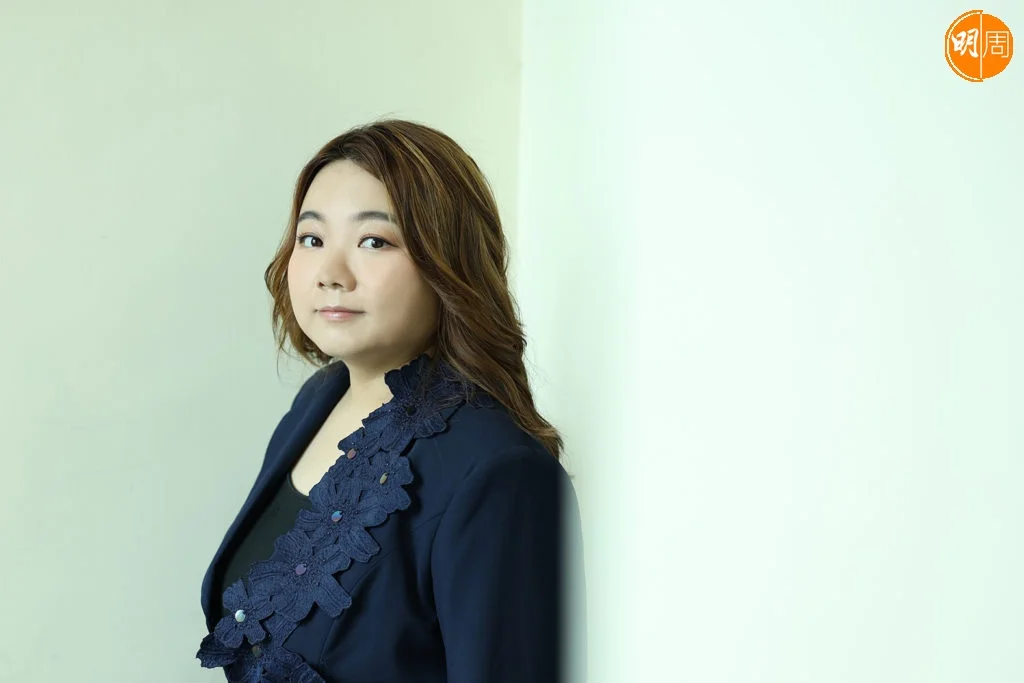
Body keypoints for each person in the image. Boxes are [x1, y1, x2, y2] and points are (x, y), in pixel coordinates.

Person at [195, 119, 585, 682]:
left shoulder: (500, 471)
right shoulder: (318, 400)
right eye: (312, 238)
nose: (331, 274)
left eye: (374, 242)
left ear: (449, 263)